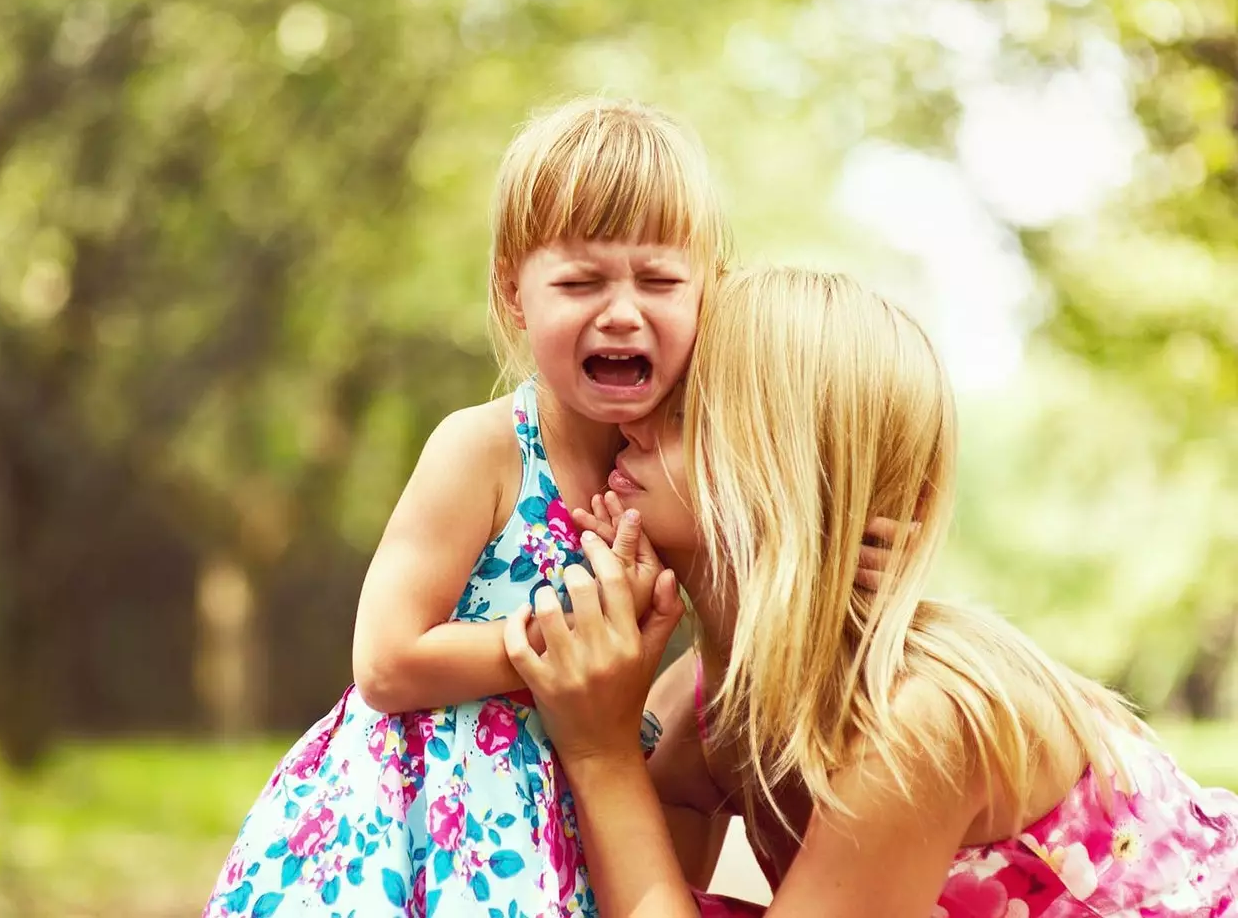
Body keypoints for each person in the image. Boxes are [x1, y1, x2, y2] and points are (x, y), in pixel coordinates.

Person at [505, 266, 1238, 917]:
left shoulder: (915, 722)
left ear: (781, 476)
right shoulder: (690, 716)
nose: (629, 421)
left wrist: (604, 757)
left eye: (683, 412)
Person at [203, 96, 728, 917]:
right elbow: (384, 658)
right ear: (516, 295)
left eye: (659, 279)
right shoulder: (486, 450)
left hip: (578, 827)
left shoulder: (687, 478)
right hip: (431, 826)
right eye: (581, 280)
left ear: (708, 293)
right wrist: (576, 642)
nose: (622, 310)